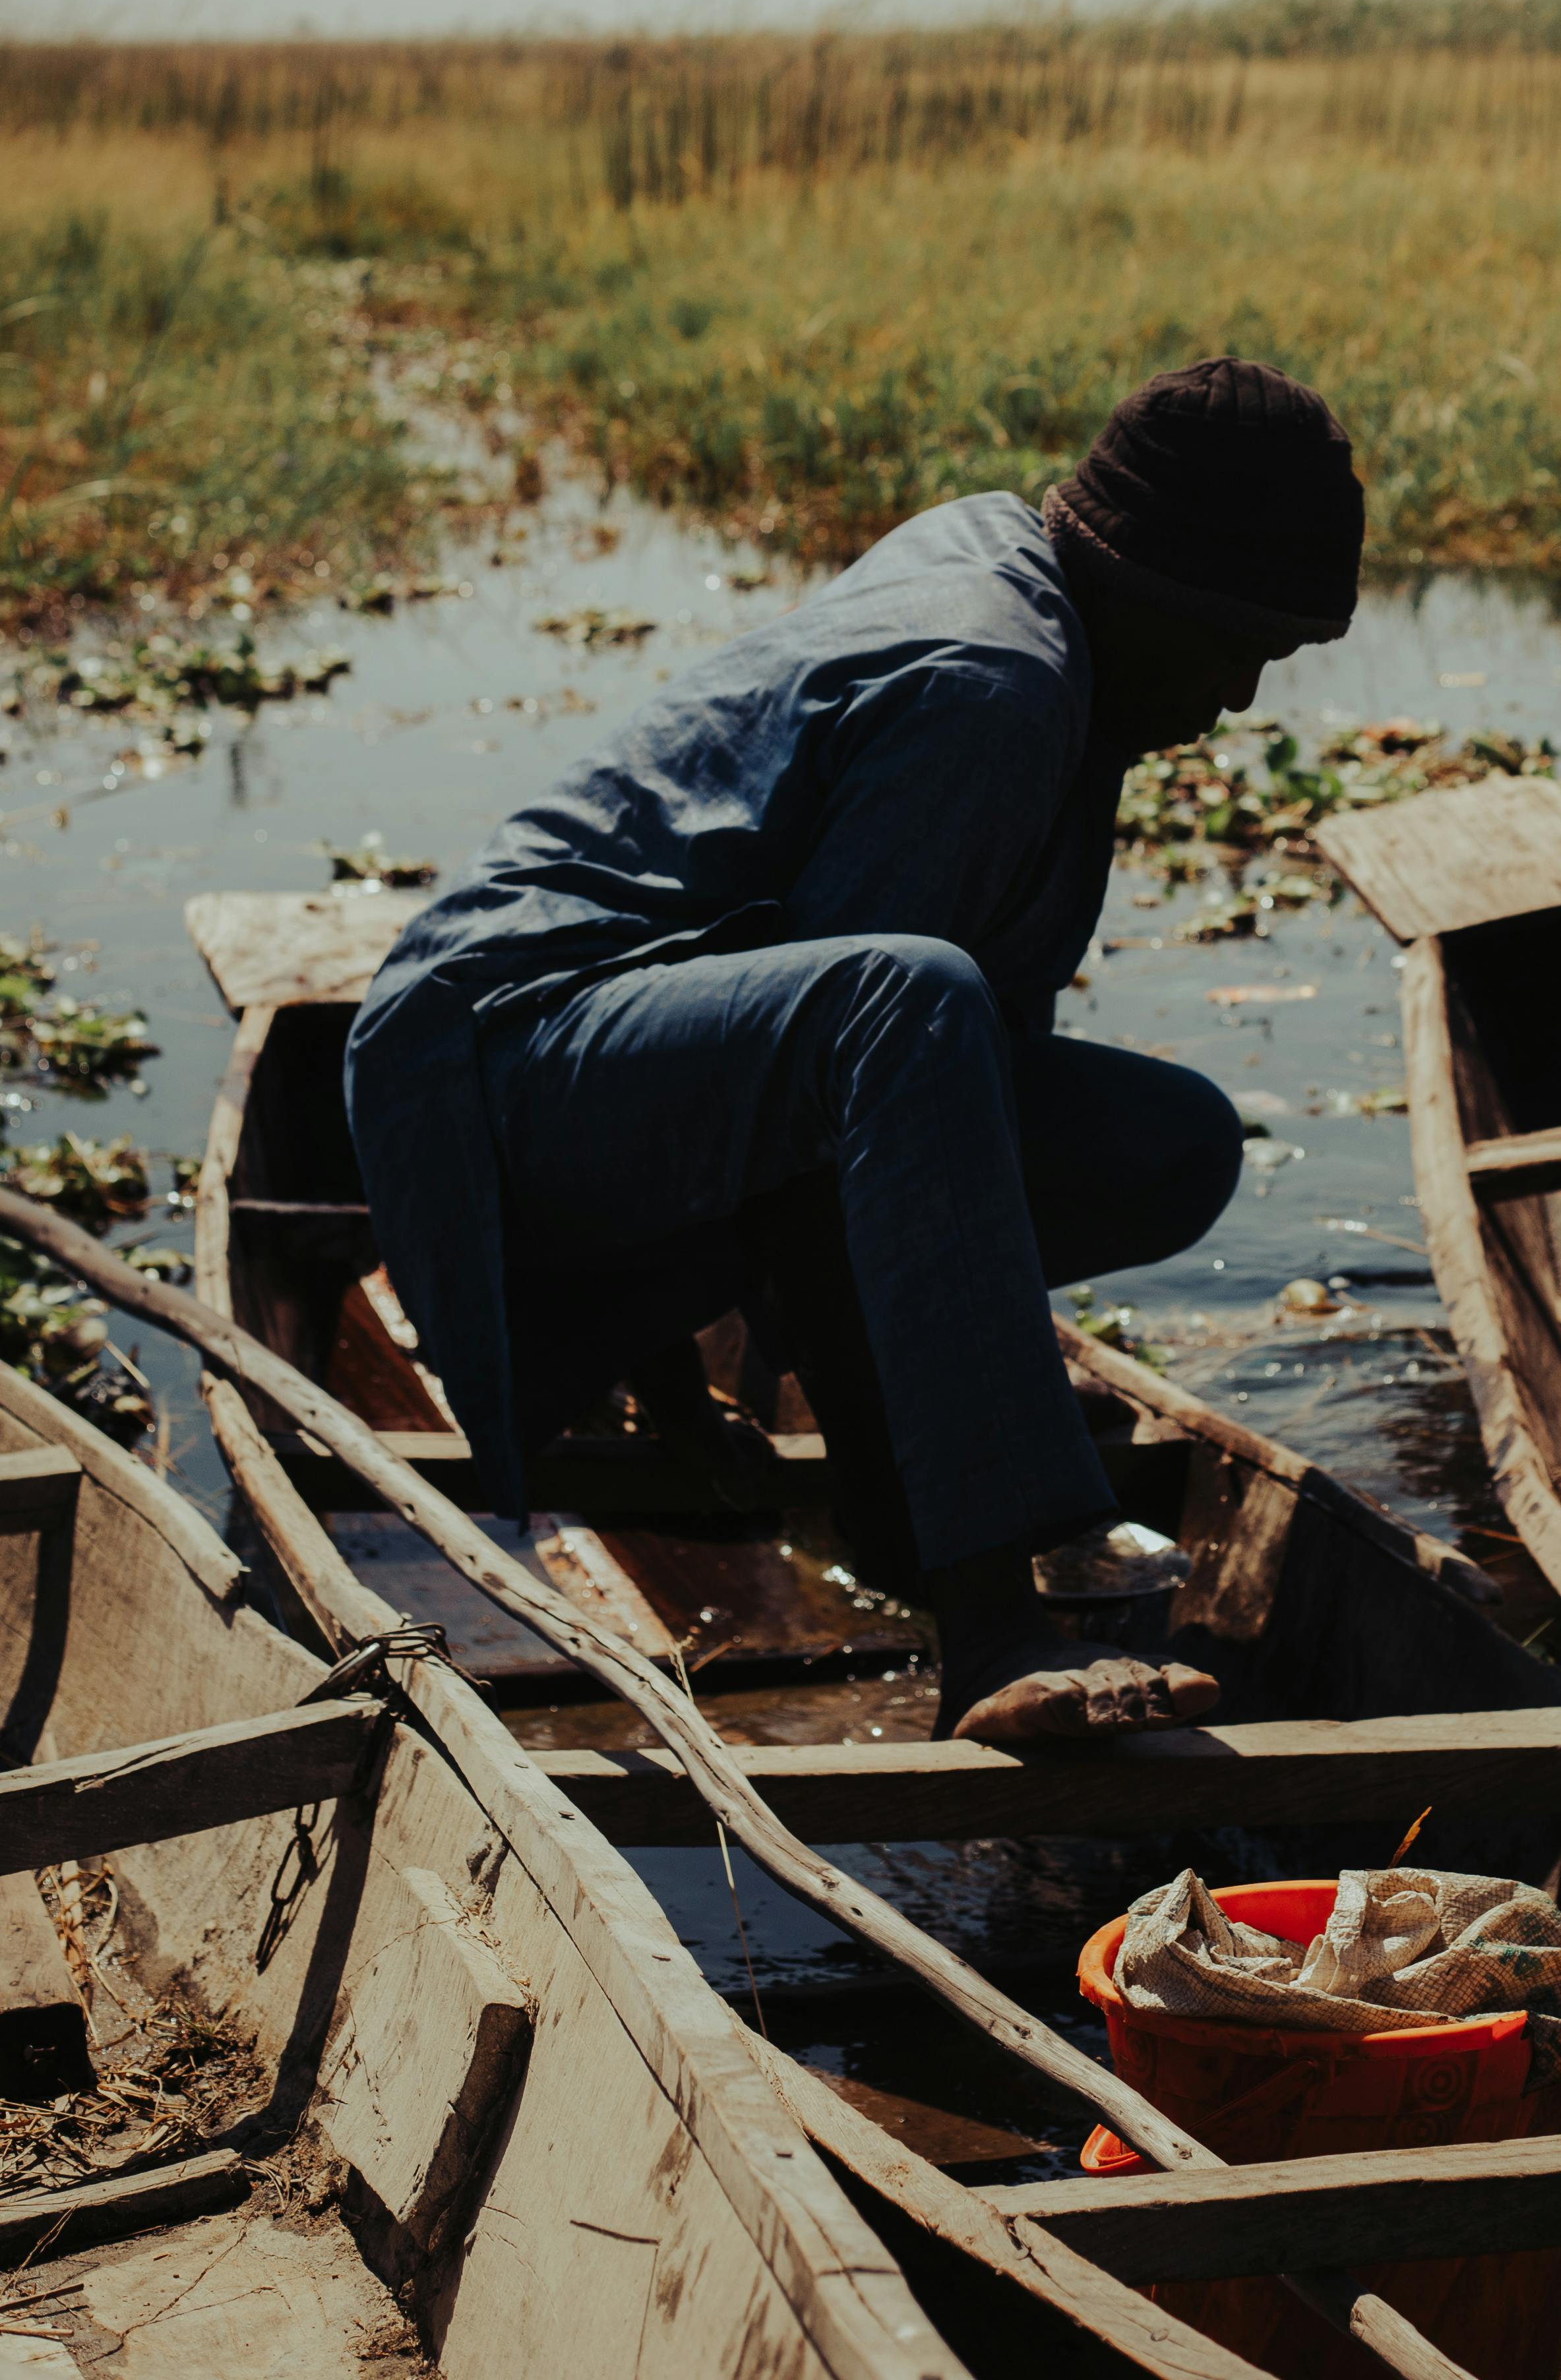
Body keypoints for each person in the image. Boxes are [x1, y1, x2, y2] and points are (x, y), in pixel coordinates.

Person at [344, 355, 1363, 1742]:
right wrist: (988, 1544)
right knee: (910, 1012)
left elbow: (806, 1029)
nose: (1239, 698)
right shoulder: (995, 687)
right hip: (504, 1066)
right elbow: (859, 1079)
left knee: (1164, 1142)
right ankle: (988, 1625)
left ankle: (708, 1355)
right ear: (1153, 593)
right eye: (1238, 646)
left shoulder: (1016, 555)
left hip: (652, 1053)